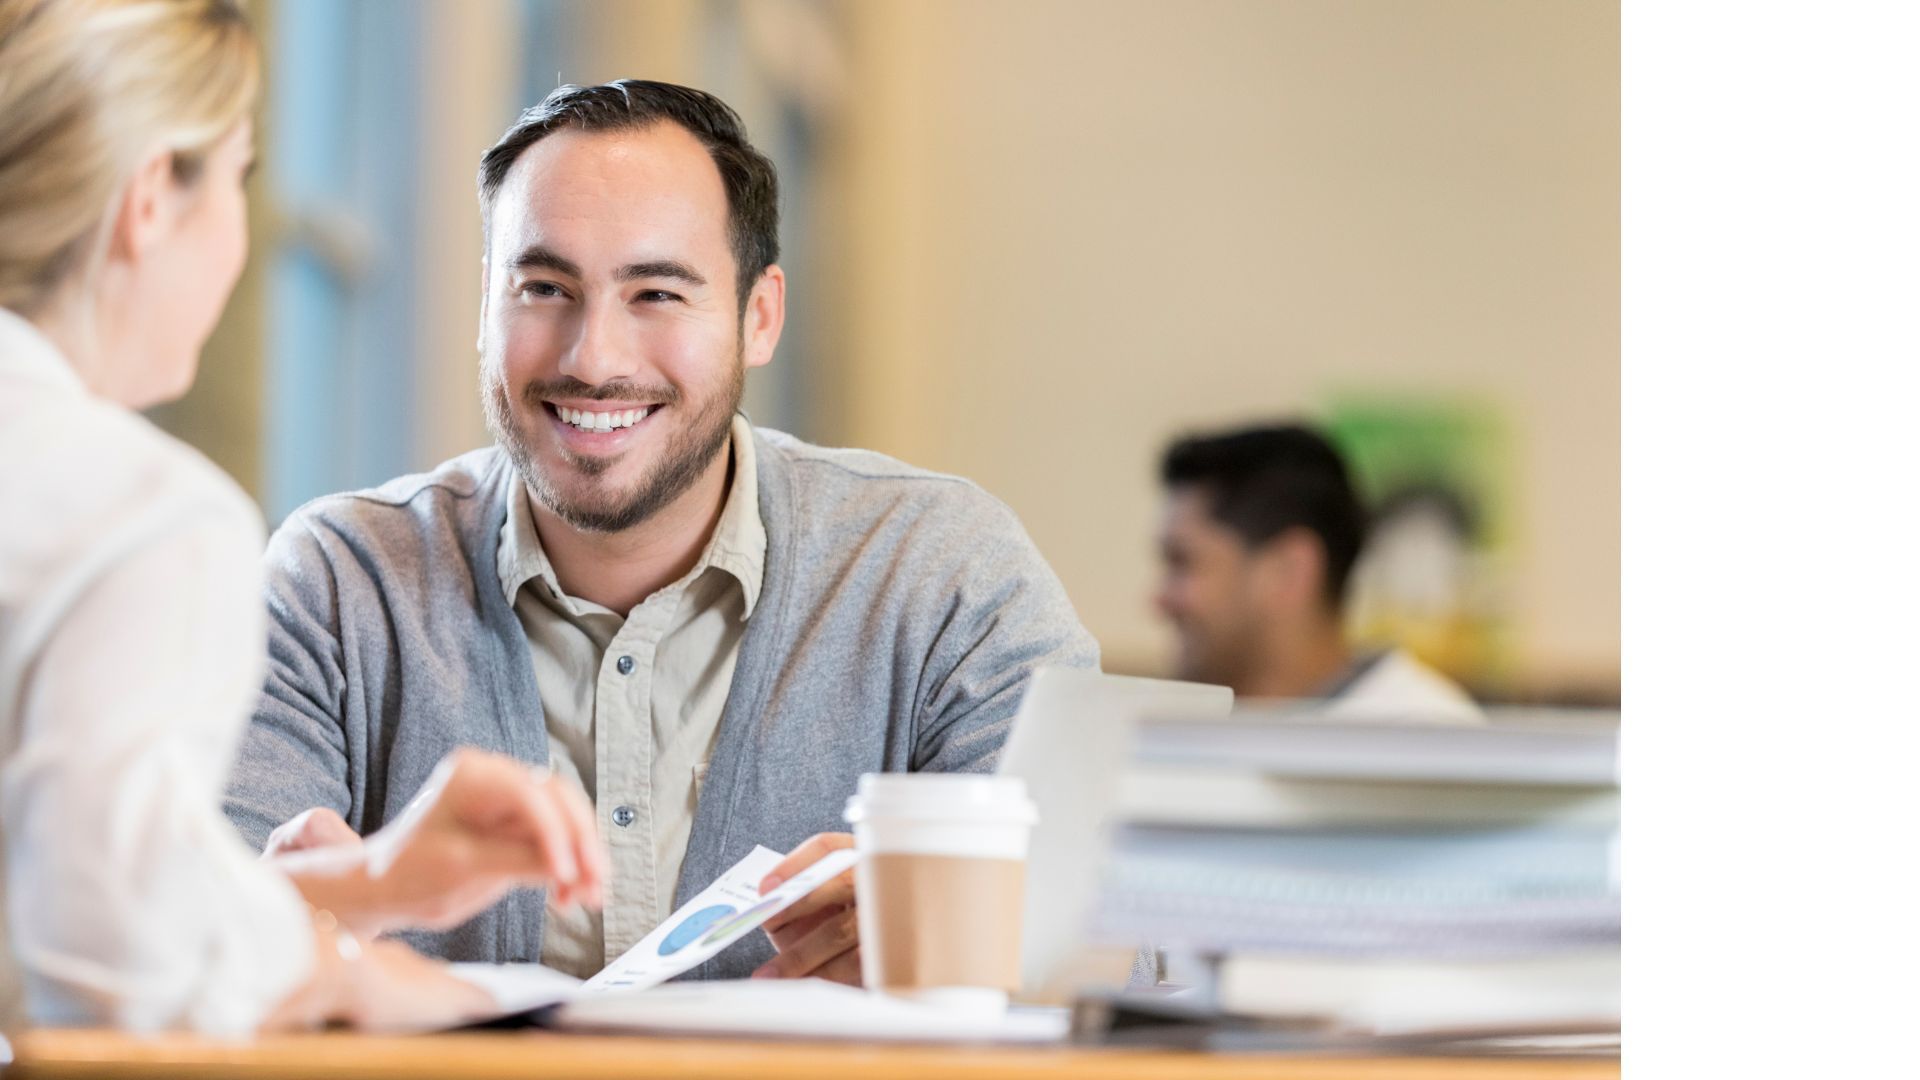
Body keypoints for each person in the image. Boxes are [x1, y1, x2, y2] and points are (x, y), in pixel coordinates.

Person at [222, 80, 1098, 985]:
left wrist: (976, 944)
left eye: (657, 294)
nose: (593, 359)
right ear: (485, 311)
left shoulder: (944, 575)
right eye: (543, 287)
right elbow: (176, 949)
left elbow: (1112, 942)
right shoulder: (335, 587)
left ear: (760, 317)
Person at [0, 0, 606, 1035]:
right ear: (152, 198)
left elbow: (57, 879)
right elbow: (105, 949)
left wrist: (367, 885)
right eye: (239, 177)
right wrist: (343, 975)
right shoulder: (145, 518)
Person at [1154, 423, 1482, 723]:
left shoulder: (1428, 740)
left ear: (1289, 570)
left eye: (1183, 562)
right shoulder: (1195, 734)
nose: (1158, 600)